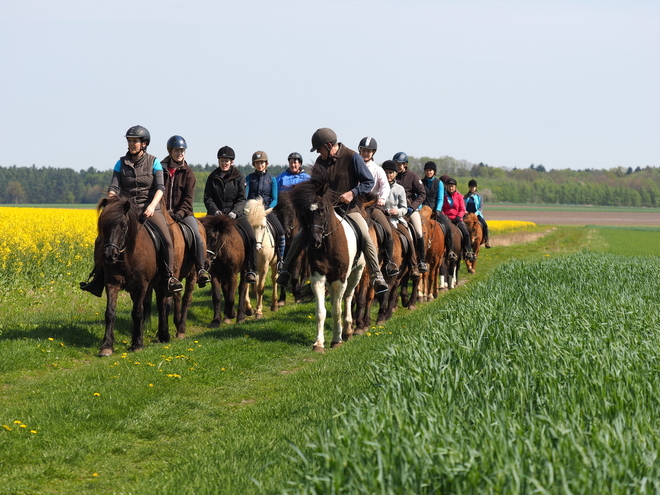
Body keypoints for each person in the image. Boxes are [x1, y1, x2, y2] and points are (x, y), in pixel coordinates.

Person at [276, 127, 388, 294]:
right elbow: (315, 186)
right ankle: (285, 270)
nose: (319, 153)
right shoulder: (320, 161)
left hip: (349, 208)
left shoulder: (352, 157)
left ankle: (376, 276)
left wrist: (352, 193)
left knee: (364, 233)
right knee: (301, 234)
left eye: (320, 149)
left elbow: (368, 182)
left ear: (329, 145)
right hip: (324, 210)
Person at [80, 125, 183, 297]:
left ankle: (169, 277)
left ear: (144, 144)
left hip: (148, 208)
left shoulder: (154, 162)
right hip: (126, 209)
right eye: (129, 140)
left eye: (135, 141)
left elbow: (160, 188)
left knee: (166, 238)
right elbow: (114, 187)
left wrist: (151, 206)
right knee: (101, 239)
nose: (131, 143)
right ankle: (98, 278)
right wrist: (112, 202)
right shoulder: (120, 163)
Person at [161, 135, 211, 287]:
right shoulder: (160, 169)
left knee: (196, 235)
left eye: (182, 150)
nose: (180, 153)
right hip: (161, 213)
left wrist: (179, 214)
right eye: (177, 150)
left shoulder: (188, 172)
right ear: (170, 151)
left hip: (183, 214)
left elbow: (188, 200)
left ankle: (201, 269)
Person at [203, 146, 257, 284]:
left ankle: (251, 269)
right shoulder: (212, 177)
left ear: (232, 162)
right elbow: (208, 198)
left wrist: (235, 212)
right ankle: (201, 269)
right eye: (222, 160)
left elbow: (241, 199)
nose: (224, 163)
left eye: (227, 160)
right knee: (200, 236)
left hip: (235, 215)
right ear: (219, 161)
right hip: (216, 216)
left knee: (251, 237)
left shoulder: (239, 177)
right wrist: (215, 211)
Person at [359, 136, 397, 278]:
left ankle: (388, 262)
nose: (366, 153)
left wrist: (382, 198)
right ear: (360, 150)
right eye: (364, 150)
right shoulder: (353, 166)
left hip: (372, 204)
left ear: (373, 152)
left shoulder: (378, 169)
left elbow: (385, 186)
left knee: (387, 230)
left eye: (369, 151)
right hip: (355, 204)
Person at [245, 150, 287, 265]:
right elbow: (246, 196)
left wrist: (269, 209)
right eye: (257, 163)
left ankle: (280, 260)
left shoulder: (272, 179)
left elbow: (275, 199)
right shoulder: (249, 178)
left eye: (262, 162)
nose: (260, 165)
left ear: (266, 163)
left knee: (281, 232)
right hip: (252, 213)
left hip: (266, 211)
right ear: (254, 164)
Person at [393, 151, 428, 274]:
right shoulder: (392, 176)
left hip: (409, 210)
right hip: (393, 209)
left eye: (399, 164)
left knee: (418, 232)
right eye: (396, 164)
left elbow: (422, 194)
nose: (397, 167)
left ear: (405, 164)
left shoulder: (413, 176)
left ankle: (421, 261)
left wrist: (412, 207)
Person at [382, 159, 418, 275]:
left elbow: (404, 208)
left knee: (408, 236)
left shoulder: (399, 189)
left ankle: (413, 265)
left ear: (395, 174)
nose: (388, 175)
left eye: (391, 173)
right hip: (380, 217)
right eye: (386, 172)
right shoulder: (379, 187)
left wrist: (397, 211)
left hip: (396, 219)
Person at [421, 161, 457, 260]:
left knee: (448, 227)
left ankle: (450, 251)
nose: (429, 172)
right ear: (424, 171)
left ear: (434, 172)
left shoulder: (439, 183)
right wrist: (420, 209)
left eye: (431, 170)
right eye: (427, 170)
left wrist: (437, 209)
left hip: (435, 210)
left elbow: (440, 199)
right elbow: (419, 197)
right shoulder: (420, 182)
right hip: (422, 211)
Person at [442, 178, 476, 260]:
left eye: (452, 186)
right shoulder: (443, 196)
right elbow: (442, 208)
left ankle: (467, 251)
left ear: (455, 187)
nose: (451, 188)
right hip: (446, 219)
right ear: (446, 187)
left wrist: (458, 217)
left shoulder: (460, 197)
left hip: (457, 219)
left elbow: (462, 209)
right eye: (449, 186)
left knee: (466, 233)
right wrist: (445, 217)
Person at [464, 179, 491, 248]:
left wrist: (475, 214)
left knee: (485, 225)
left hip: (477, 215)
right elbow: (463, 206)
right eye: (471, 187)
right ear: (469, 187)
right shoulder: (465, 197)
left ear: (476, 187)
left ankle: (487, 240)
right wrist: (465, 211)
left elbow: (481, 207)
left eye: (473, 187)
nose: (472, 188)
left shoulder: (479, 196)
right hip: (467, 216)